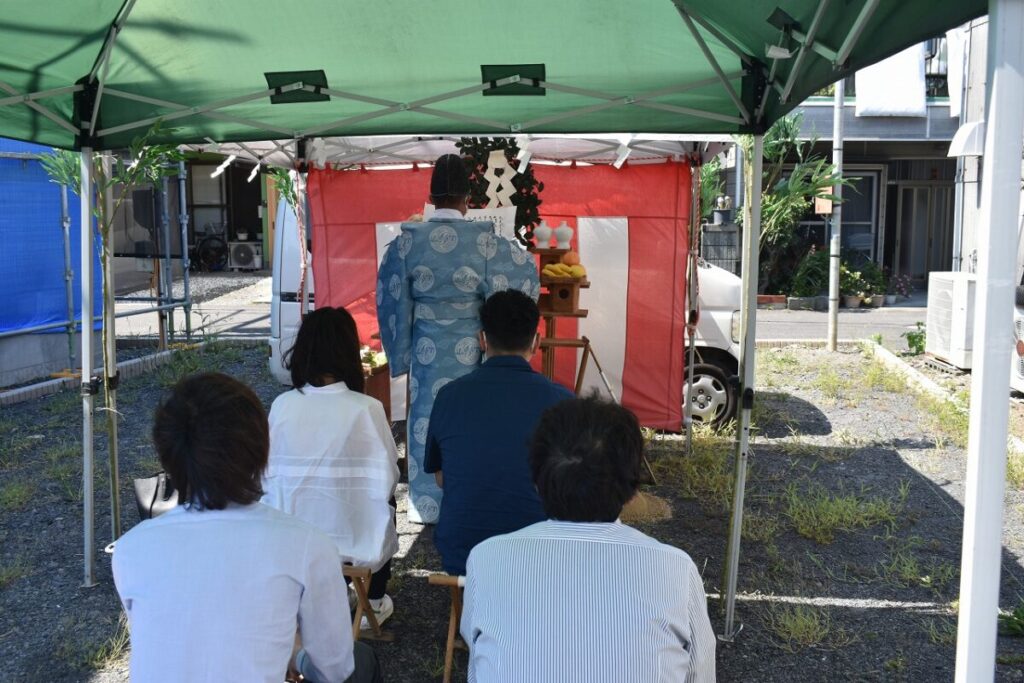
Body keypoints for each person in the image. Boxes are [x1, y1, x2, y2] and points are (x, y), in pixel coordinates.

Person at [112, 372, 383, 683]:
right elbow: (335, 669)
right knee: (362, 662)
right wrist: (295, 654)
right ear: (260, 448)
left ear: (168, 453)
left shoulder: (131, 549)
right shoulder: (305, 545)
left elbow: (181, 643)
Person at [461, 396, 716, 683]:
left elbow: (479, 658)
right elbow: (700, 674)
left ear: (536, 482)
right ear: (633, 492)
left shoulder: (486, 559)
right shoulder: (676, 569)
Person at [376, 153, 539, 524]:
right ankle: (472, 494)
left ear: (431, 198)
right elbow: (524, 272)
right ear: (469, 198)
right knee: (473, 419)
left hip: (426, 351)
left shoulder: (407, 242)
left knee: (426, 420)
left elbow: (391, 296)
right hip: (473, 351)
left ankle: (428, 505)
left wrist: (401, 352)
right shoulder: (485, 242)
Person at [262, 306, 400, 627]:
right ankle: (373, 601)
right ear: (350, 353)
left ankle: (324, 594)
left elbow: (266, 475)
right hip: (353, 543)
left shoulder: (282, 406)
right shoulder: (367, 408)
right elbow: (389, 478)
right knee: (384, 499)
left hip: (291, 542)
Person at [423, 289, 572, 575]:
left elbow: (442, 478)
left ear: (482, 339)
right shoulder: (562, 401)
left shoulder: (448, 396)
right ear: (536, 341)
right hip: (540, 557)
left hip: (464, 556)